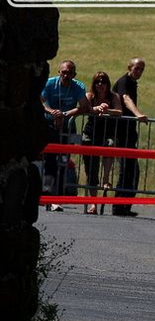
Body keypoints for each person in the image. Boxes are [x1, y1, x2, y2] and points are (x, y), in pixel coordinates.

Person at [40, 60, 93, 211]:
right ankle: (46, 193)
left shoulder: (78, 86)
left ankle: (58, 197)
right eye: (64, 72)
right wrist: (52, 112)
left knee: (64, 162)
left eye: (70, 73)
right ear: (59, 72)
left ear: (74, 74)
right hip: (50, 127)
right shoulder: (50, 83)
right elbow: (41, 102)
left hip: (68, 127)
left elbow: (84, 106)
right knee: (50, 161)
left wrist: (65, 114)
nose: (66, 75)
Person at [81, 71, 123, 215]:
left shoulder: (113, 96)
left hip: (107, 133)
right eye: (98, 82)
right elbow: (84, 108)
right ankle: (93, 203)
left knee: (110, 146)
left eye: (103, 82)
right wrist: (95, 109)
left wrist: (107, 110)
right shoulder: (89, 96)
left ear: (108, 84)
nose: (100, 85)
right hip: (91, 134)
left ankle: (106, 178)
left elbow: (119, 111)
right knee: (91, 170)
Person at [112, 57, 148, 217]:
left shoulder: (132, 83)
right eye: (137, 68)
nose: (139, 71)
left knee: (131, 170)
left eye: (141, 69)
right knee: (127, 169)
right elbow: (126, 99)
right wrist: (138, 114)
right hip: (122, 132)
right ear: (129, 67)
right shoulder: (124, 82)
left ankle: (124, 206)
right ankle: (119, 206)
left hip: (129, 132)